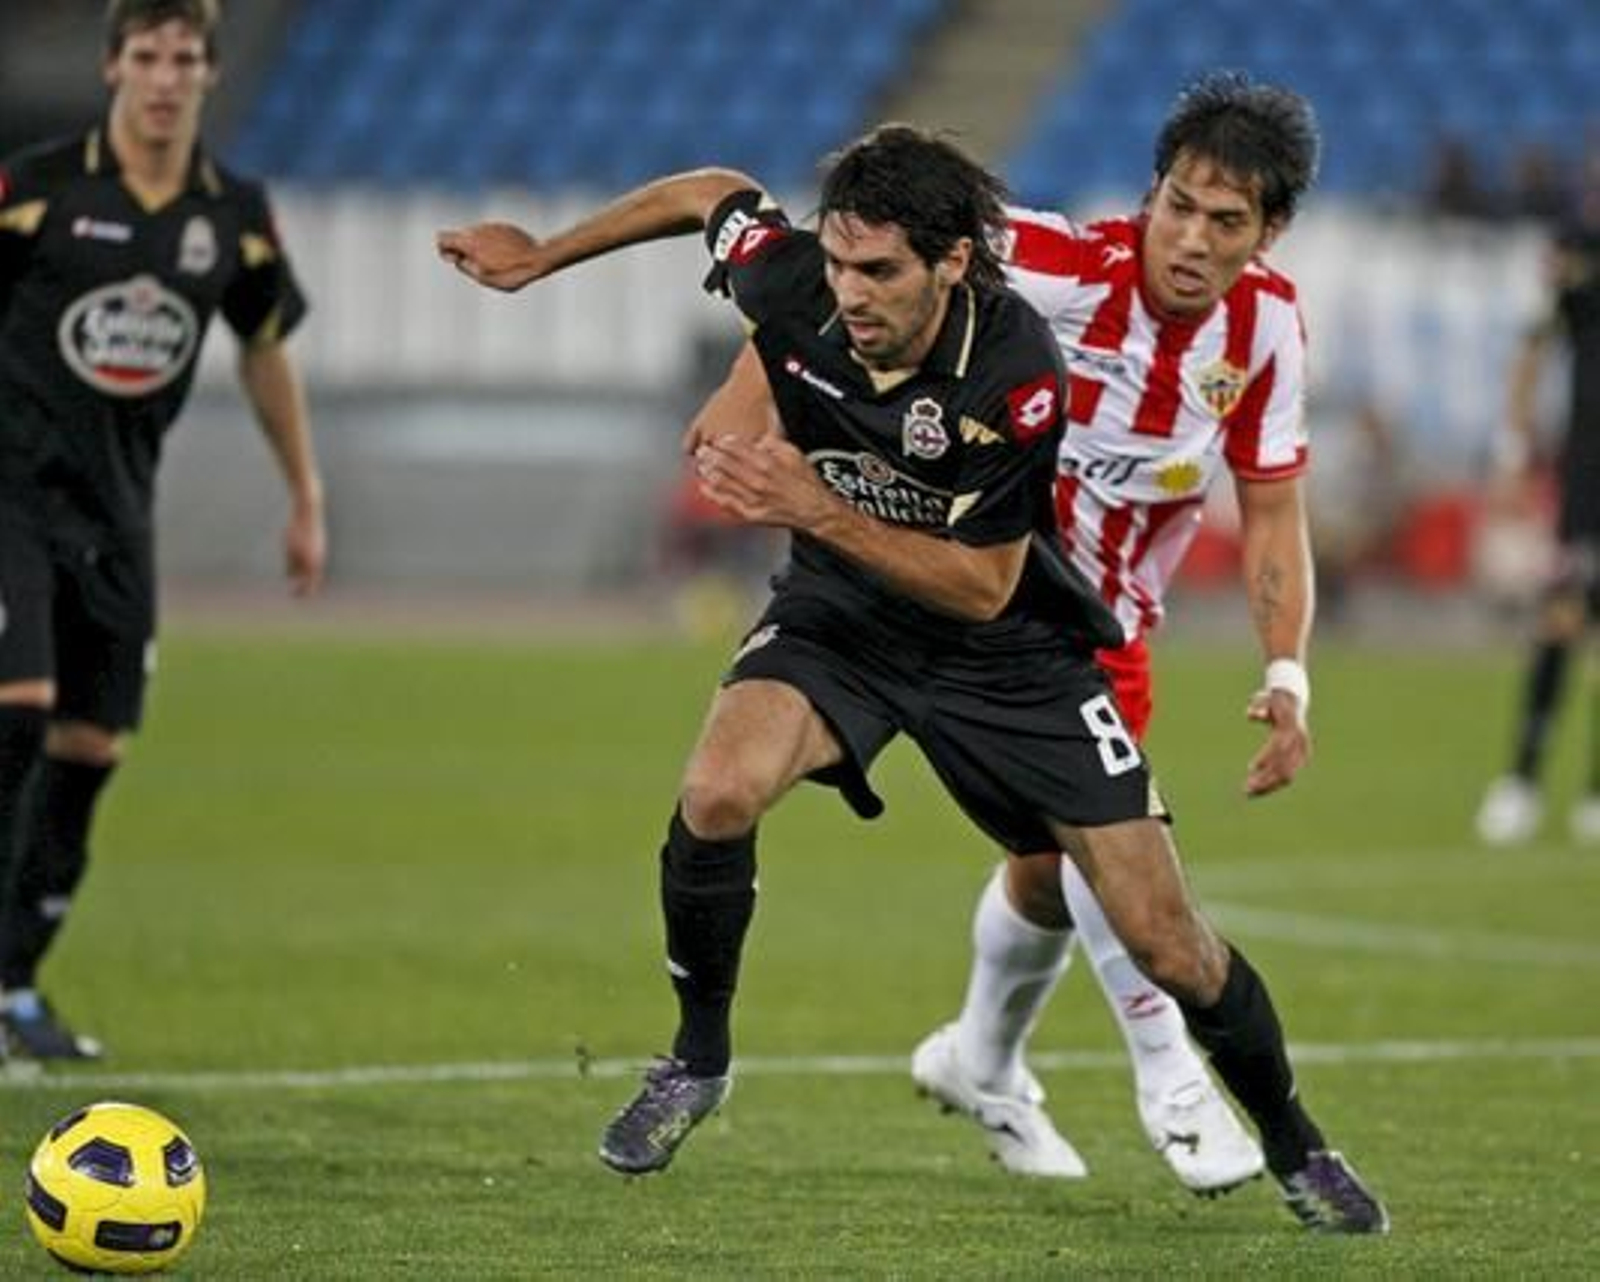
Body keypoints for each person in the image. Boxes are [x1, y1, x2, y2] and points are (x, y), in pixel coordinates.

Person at [438, 122, 1387, 1233]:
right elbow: (712, 192)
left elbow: (982, 587)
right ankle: (696, 1061)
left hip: (1013, 644)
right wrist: (543, 258)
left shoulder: (1020, 366)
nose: (849, 293)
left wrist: (809, 501)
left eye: (877, 271)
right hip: (845, 615)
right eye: (839, 265)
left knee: (1160, 934)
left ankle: (1294, 1144)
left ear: (949, 265)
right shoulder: (817, 280)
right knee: (717, 790)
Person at [688, 72, 1320, 1199]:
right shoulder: (1041, 259)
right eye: (1177, 205)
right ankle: (1171, 1074)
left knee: (1045, 872)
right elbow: (836, 270)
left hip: (1097, 628)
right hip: (955, 590)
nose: (1190, 238)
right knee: (1112, 877)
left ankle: (978, 1058)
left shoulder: (1267, 328)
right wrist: (755, 393)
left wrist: (1287, 671)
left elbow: (1273, 514)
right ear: (1150, 192)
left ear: (1267, 232)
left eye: (1225, 221)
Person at [0, 0, 326, 1060]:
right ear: (113, 68)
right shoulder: (37, 189)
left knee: (89, 744)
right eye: (147, 55)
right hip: (12, 495)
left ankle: (14, 985)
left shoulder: (233, 213)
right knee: (19, 707)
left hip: (118, 513)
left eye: (185, 58)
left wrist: (305, 493)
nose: (166, 76)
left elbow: (264, 344)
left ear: (208, 74)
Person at [1474, 199, 1600, 846]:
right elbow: (1534, 345)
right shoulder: (1582, 244)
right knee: (1561, 619)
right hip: (1589, 475)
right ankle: (1521, 780)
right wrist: (1514, 449)